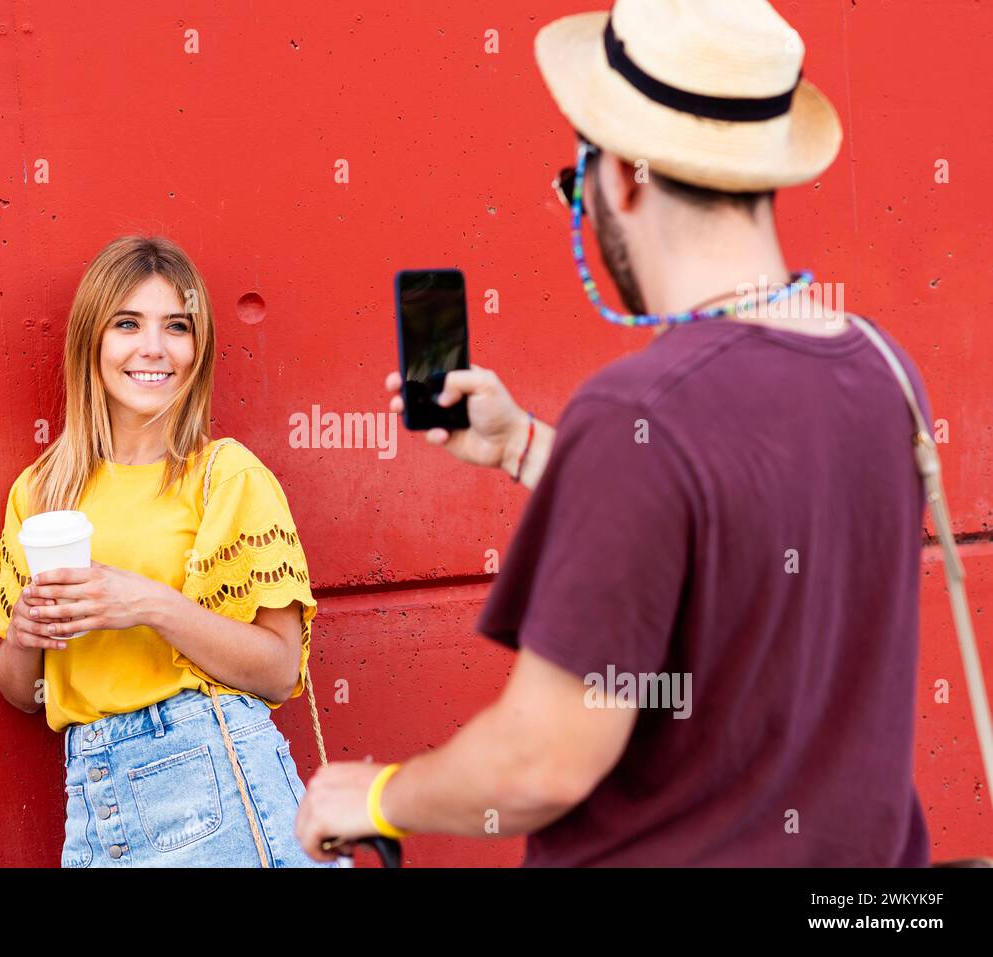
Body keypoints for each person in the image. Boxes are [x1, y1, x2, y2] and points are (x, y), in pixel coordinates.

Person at [296, 0, 933, 866]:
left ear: (624, 177)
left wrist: (375, 794)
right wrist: (525, 446)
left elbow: (541, 761)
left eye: (577, 180)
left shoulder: (639, 411)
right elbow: (731, 525)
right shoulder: (882, 369)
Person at [0, 235, 333, 867]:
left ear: (199, 348)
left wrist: (148, 604)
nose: (154, 349)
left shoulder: (225, 476)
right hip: (91, 793)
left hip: (214, 779)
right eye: (127, 324)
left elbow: (279, 669)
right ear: (93, 340)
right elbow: (20, 692)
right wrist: (26, 634)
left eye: (177, 326)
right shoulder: (41, 491)